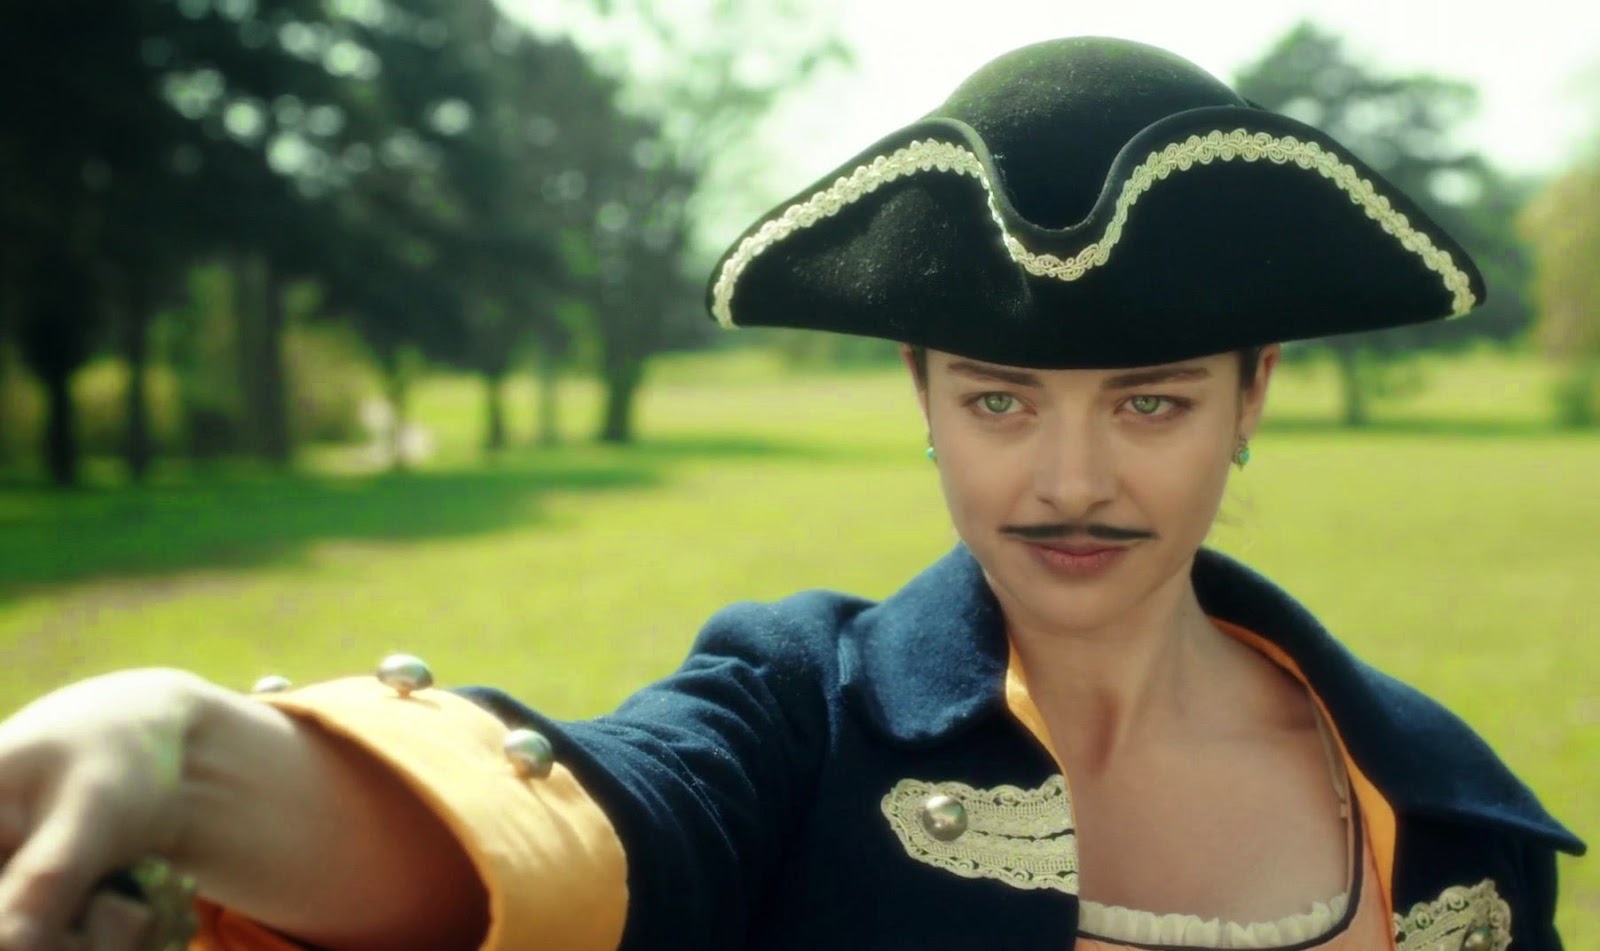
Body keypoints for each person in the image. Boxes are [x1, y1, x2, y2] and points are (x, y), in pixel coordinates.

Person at [0, 36, 1582, 951]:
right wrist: (182, 757)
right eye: (999, 399)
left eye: (1152, 401)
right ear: (921, 390)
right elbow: (585, 832)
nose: (1072, 481)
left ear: (1256, 392)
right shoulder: (794, 720)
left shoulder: (1446, 810)